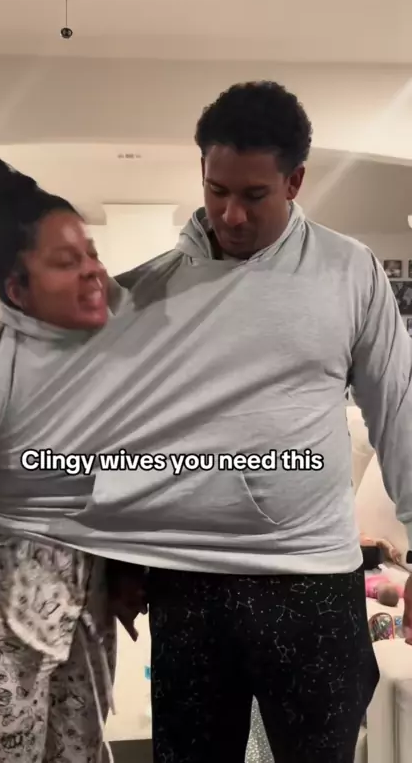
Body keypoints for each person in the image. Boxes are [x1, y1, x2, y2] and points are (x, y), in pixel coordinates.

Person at [68, 81, 412, 763]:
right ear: (201, 169)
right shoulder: (148, 290)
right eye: (216, 189)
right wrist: (116, 561)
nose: (230, 214)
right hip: (188, 585)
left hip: (313, 584)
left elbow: (398, 411)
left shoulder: (349, 272)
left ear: (295, 180)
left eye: (254, 195)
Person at [0, 158, 144, 763]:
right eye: (66, 261)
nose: (93, 271)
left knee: (83, 753)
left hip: (85, 604)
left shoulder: (110, 363)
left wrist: (128, 571)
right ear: (17, 289)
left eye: (91, 253)